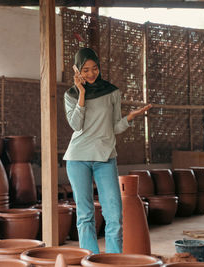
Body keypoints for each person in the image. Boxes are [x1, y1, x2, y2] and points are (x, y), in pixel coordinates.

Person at [63, 47, 152, 254]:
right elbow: (76, 125)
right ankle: (90, 259)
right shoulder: (71, 95)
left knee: (114, 215)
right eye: (85, 70)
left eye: (94, 68)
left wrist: (129, 118)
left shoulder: (112, 92)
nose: (91, 73)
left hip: (105, 157)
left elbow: (114, 127)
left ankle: (113, 260)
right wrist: (82, 94)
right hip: (78, 158)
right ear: (77, 70)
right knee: (85, 215)